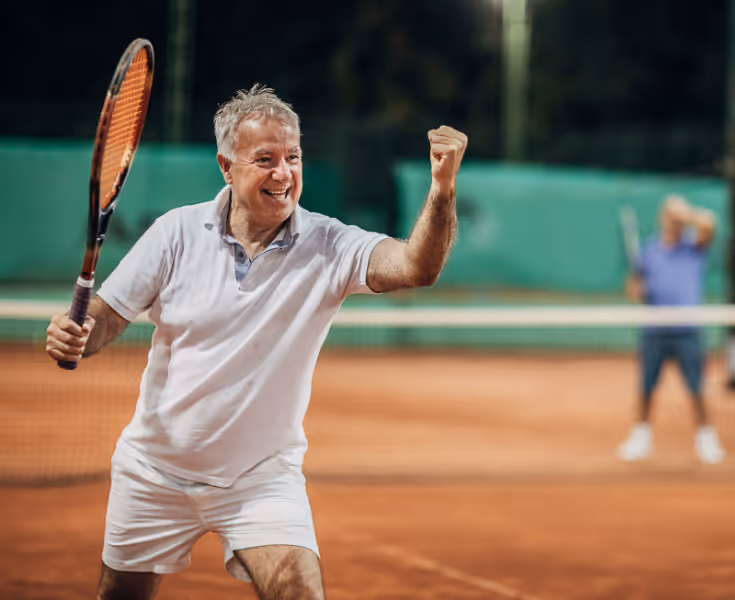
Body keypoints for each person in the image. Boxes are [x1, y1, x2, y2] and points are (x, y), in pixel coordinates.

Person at [45, 84, 467, 600]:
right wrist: (77, 335)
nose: (284, 173)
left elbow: (416, 267)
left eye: (293, 157)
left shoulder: (330, 244)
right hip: (153, 472)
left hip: (260, 479)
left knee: (298, 591)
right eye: (265, 159)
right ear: (226, 166)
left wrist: (441, 189)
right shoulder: (175, 233)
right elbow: (105, 319)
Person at [616, 194, 725, 465]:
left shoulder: (694, 247)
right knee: (646, 388)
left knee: (696, 388)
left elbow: (711, 223)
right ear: (662, 218)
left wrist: (685, 214)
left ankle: (705, 439)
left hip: (687, 330)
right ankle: (640, 438)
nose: (674, 221)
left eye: (679, 217)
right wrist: (637, 290)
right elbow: (633, 286)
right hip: (655, 330)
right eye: (670, 215)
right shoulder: (649, 250)